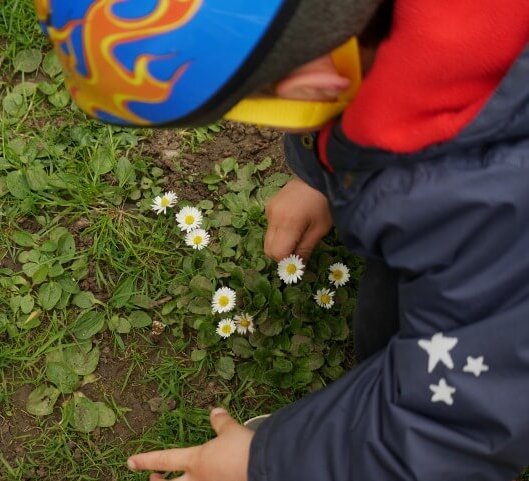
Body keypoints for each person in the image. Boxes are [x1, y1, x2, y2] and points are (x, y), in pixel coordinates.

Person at [35, 1, 529, 480]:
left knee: (421, 358)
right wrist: (325, 175)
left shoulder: (477, 209)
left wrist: (269, 463)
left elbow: (454, 424)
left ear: (312, 88)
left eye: (265, 107)